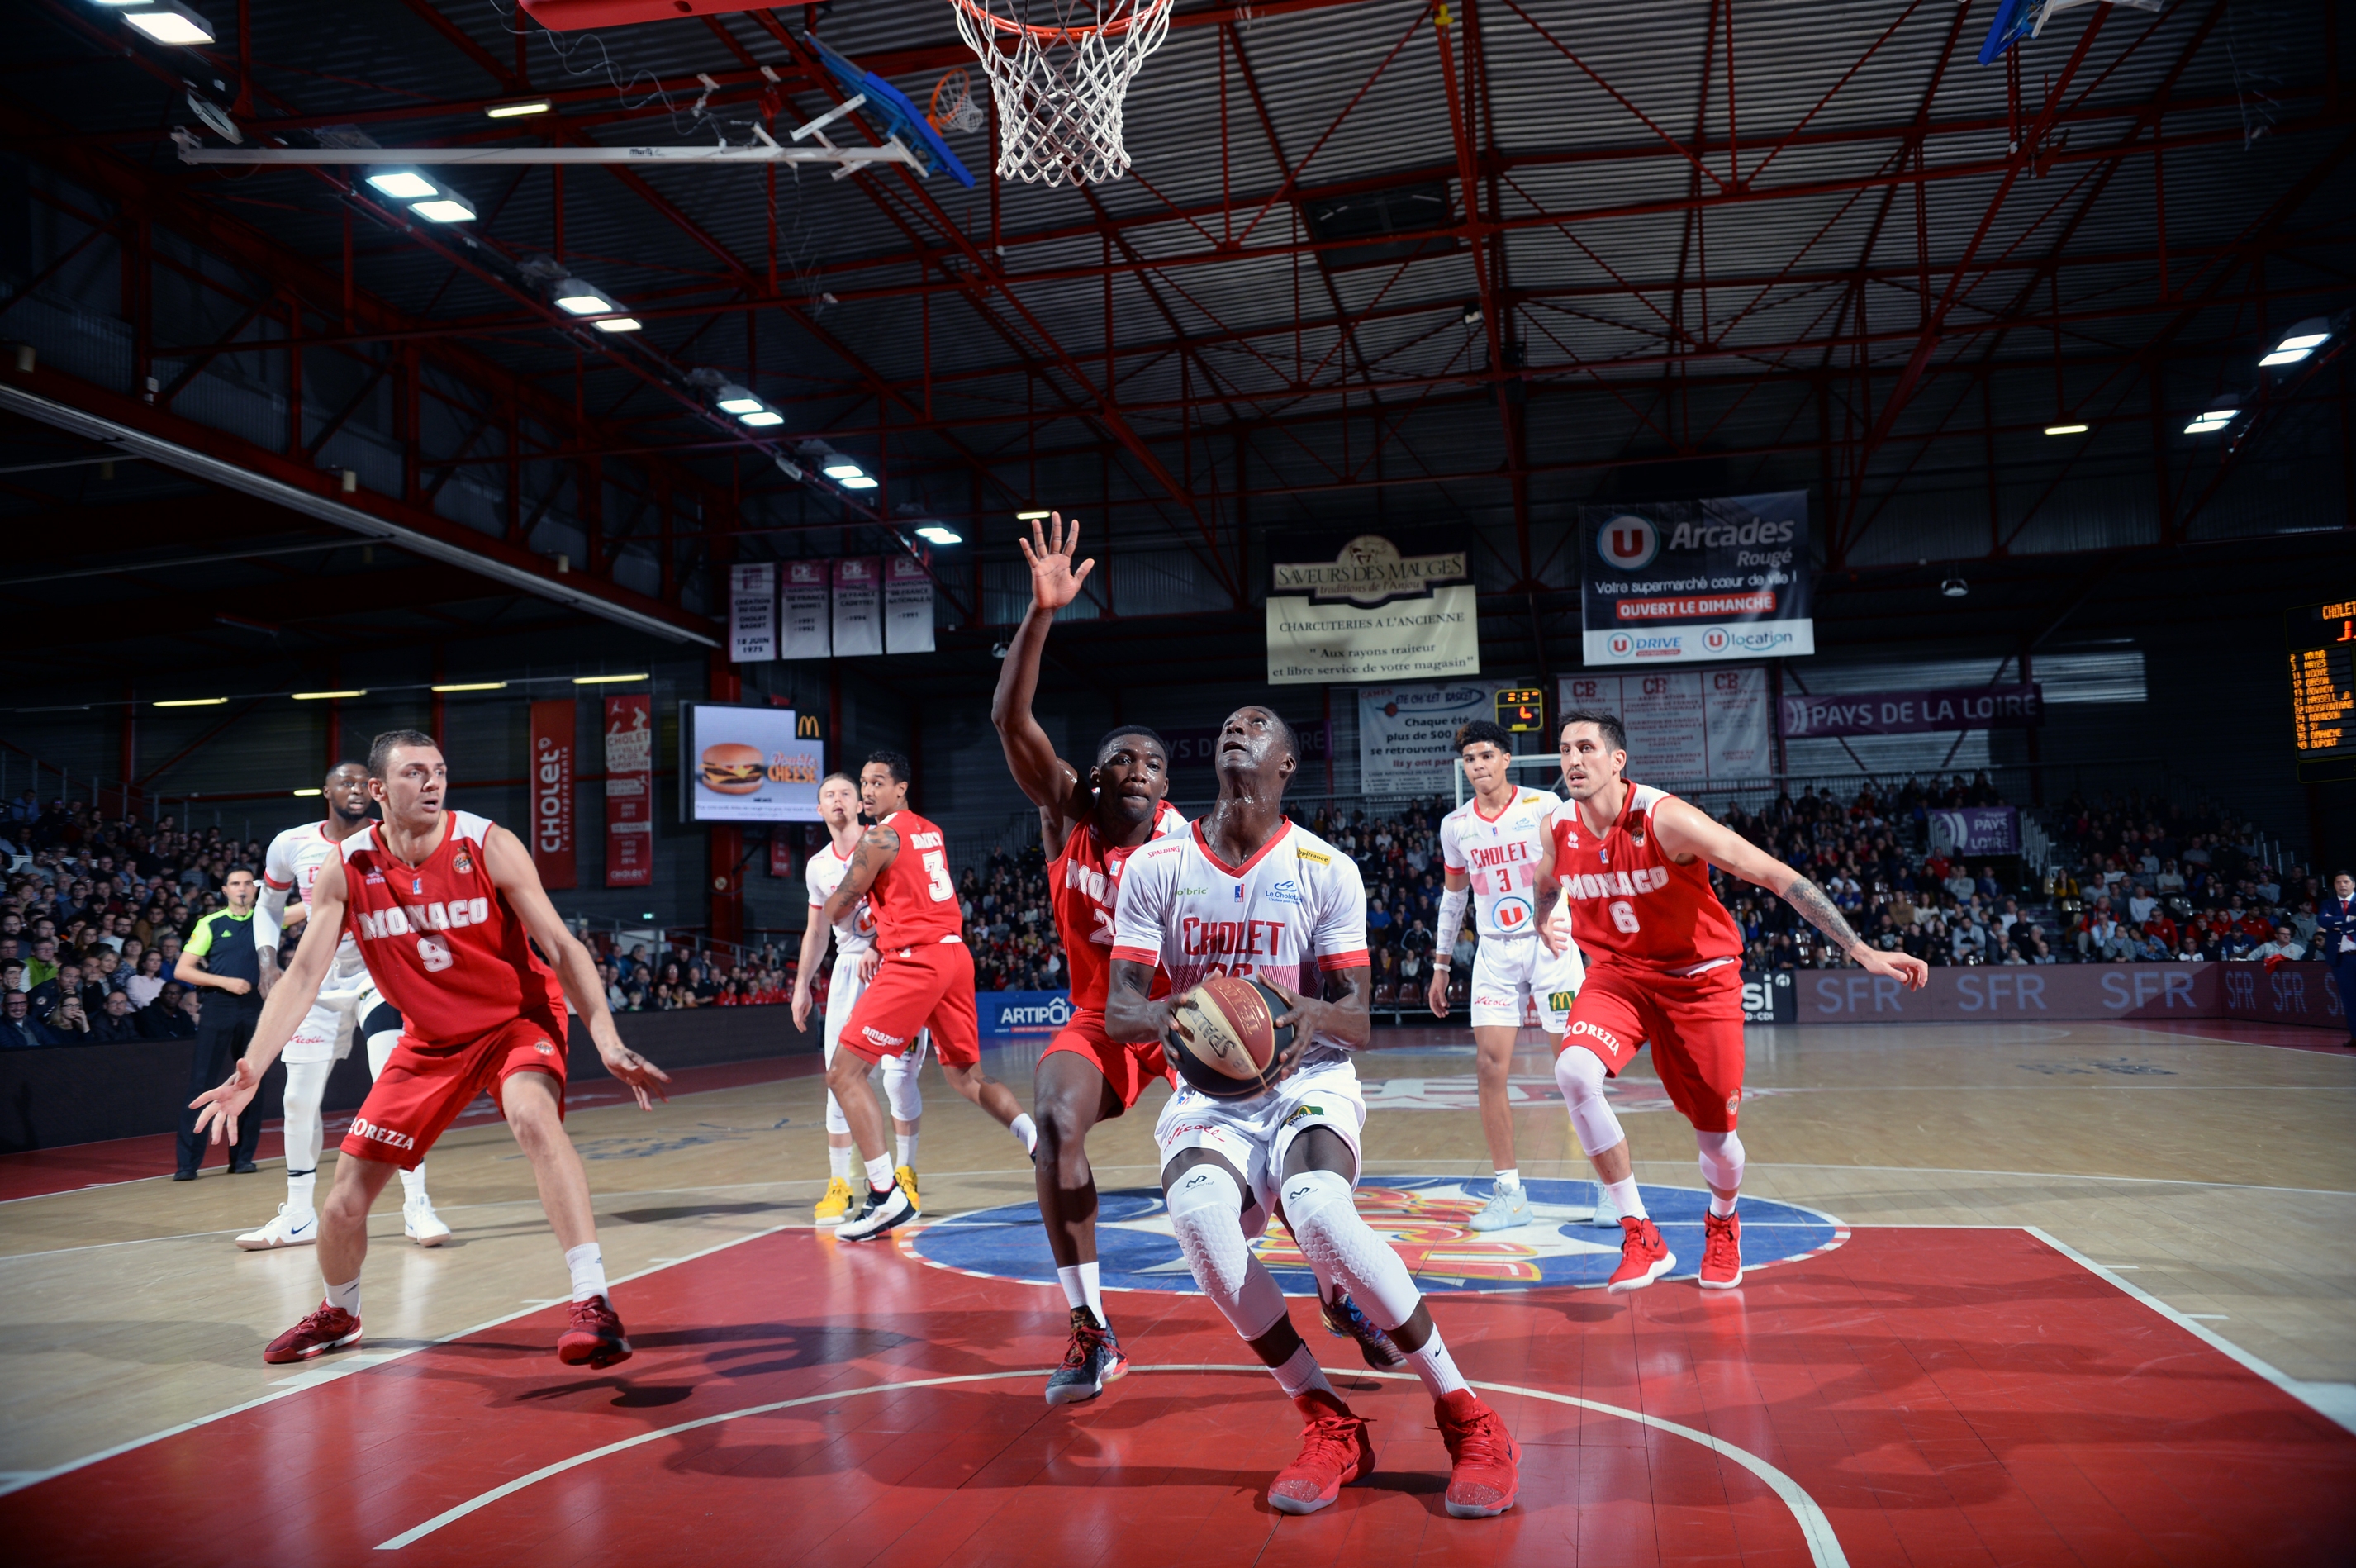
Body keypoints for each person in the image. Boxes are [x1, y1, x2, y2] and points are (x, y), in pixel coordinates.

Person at [1105, 706, 1521, 1520]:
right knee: (1196, 1218)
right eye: (1227, 722)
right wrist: (1170, 1016)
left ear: (1286, 761)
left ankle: (1466, 1413)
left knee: (1317, 1208)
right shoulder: (1154, 865)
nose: (1237, 726)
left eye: (1257, 724)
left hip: (1306, 1079)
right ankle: (1328, 1418)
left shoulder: (1323, 865)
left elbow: (1358, 1018)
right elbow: (1120, 1006)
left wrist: (1307, 1013)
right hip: (1209, 1093)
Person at [190, 730, 670, 1368]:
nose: (434, 782)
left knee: (532, 1117)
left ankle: (593, 1302)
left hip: (514, 1020)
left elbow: (561, 946)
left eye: (439, 770)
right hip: (431, 1040)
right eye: (416, 773)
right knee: (341, 1205)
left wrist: (605, 1037)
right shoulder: (349, 867)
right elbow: (304, 975)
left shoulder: (486, 843)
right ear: (380, 791)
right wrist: (252, 1067)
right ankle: (341, 1312)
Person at [1535, 711, 1928, 1292]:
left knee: (1718, 1140)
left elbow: (1772, 874)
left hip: (1700, 980)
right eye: (1565, 749)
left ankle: (1722, 1222)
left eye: (1587, 748)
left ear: (1617, 761)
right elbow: (1545, 883)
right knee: (1573, 1071)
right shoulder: (1556, 828)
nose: (1574, 759)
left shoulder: (1667, 819)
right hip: (1620, 978)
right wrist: (1548, 919)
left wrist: (1860, 948)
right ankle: (1639, 1230)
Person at [989, 512, 1187, 1405]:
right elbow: (1009, 715)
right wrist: (1041, 615)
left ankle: (1340, 1288)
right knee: (1054, 1124)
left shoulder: (1199, 843)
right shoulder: (1064, 812)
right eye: (1119, 758)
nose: (1135, 766)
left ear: (1166, 785)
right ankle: (1089, 1326)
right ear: (1092, 779)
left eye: (1150, 759)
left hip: (1193, 1016)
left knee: (1272, 1165)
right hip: (1098, 1017)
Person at [237, 763, 449, 1252]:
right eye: (345, 782)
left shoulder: (393, 837)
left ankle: (416, 1205)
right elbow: (268, 906)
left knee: (394, 1085)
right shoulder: (291, 843)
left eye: (362, 783)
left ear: (375, 791)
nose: (354, 789)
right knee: (297, 1099)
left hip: (380, 975)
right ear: (325, 791)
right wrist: (267, 963)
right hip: (317, 980)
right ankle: (297, 1215)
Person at [822, 750, 1031, 1241]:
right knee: (965, 1076)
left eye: (878, 783)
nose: (867, 791)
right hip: (955, 955)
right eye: (863, 783)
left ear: (901, 789)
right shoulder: (929, 830)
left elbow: (835, 909)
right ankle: (1038, 1139)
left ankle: (883, 1196)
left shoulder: (877, 838)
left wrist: (853, 886)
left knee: (843, 1074)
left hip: (916, 961)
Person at [1427, 720, 1585, 1233]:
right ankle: (1510, 1192)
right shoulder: (1456, 827)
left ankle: (1609, 1186)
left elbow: (1578, 870)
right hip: (1494, 952)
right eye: (1470, 759)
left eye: (1487, 756)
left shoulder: (1545, 807)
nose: (1478, 766)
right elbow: (1454, 898)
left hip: (1551, 946)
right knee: (1490, 1069)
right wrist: (1441, 964)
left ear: (1506, 759)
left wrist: (1577, 926)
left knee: (1578, 1070)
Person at [794, 772, 927, 1226]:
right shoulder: (817, 867)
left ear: (860, 802)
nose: (837, 799)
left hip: (897, 964)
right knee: (838, 1079)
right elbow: (816, 932)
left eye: (845, 793)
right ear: (819, 809)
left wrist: (879, 943)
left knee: (897, 1080)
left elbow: (911, 905)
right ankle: (840, 1184)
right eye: (828, 795)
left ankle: (904, 1174)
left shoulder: (885, 841)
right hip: (847, 974)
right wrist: (802, 985)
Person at [173, 867, 267, 1179]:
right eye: (235, 883)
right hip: (219, 1005)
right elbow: (183, 970)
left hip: (256, 1007)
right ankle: (187, 1165)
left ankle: (242, 1159)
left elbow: (311, 905)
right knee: (201, 1082)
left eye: (247, 883)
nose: (242, 888)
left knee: (251, 1081)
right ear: (224, 890)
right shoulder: (210, 923)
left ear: (255, 889)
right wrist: (226, 982)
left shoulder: (267, 918)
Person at [2320, 872, 2356, 1046]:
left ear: (2353, 884)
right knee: (2349, 998)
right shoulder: (2328, 903)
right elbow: (2322, 921)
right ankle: (2355, 1035)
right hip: (2342, 958)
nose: (2342, 885)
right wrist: (2348, 920)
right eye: (2338, 882)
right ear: (2334, 885)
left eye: (2346, 881)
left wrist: (2336, 924)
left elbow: (2330, 923)